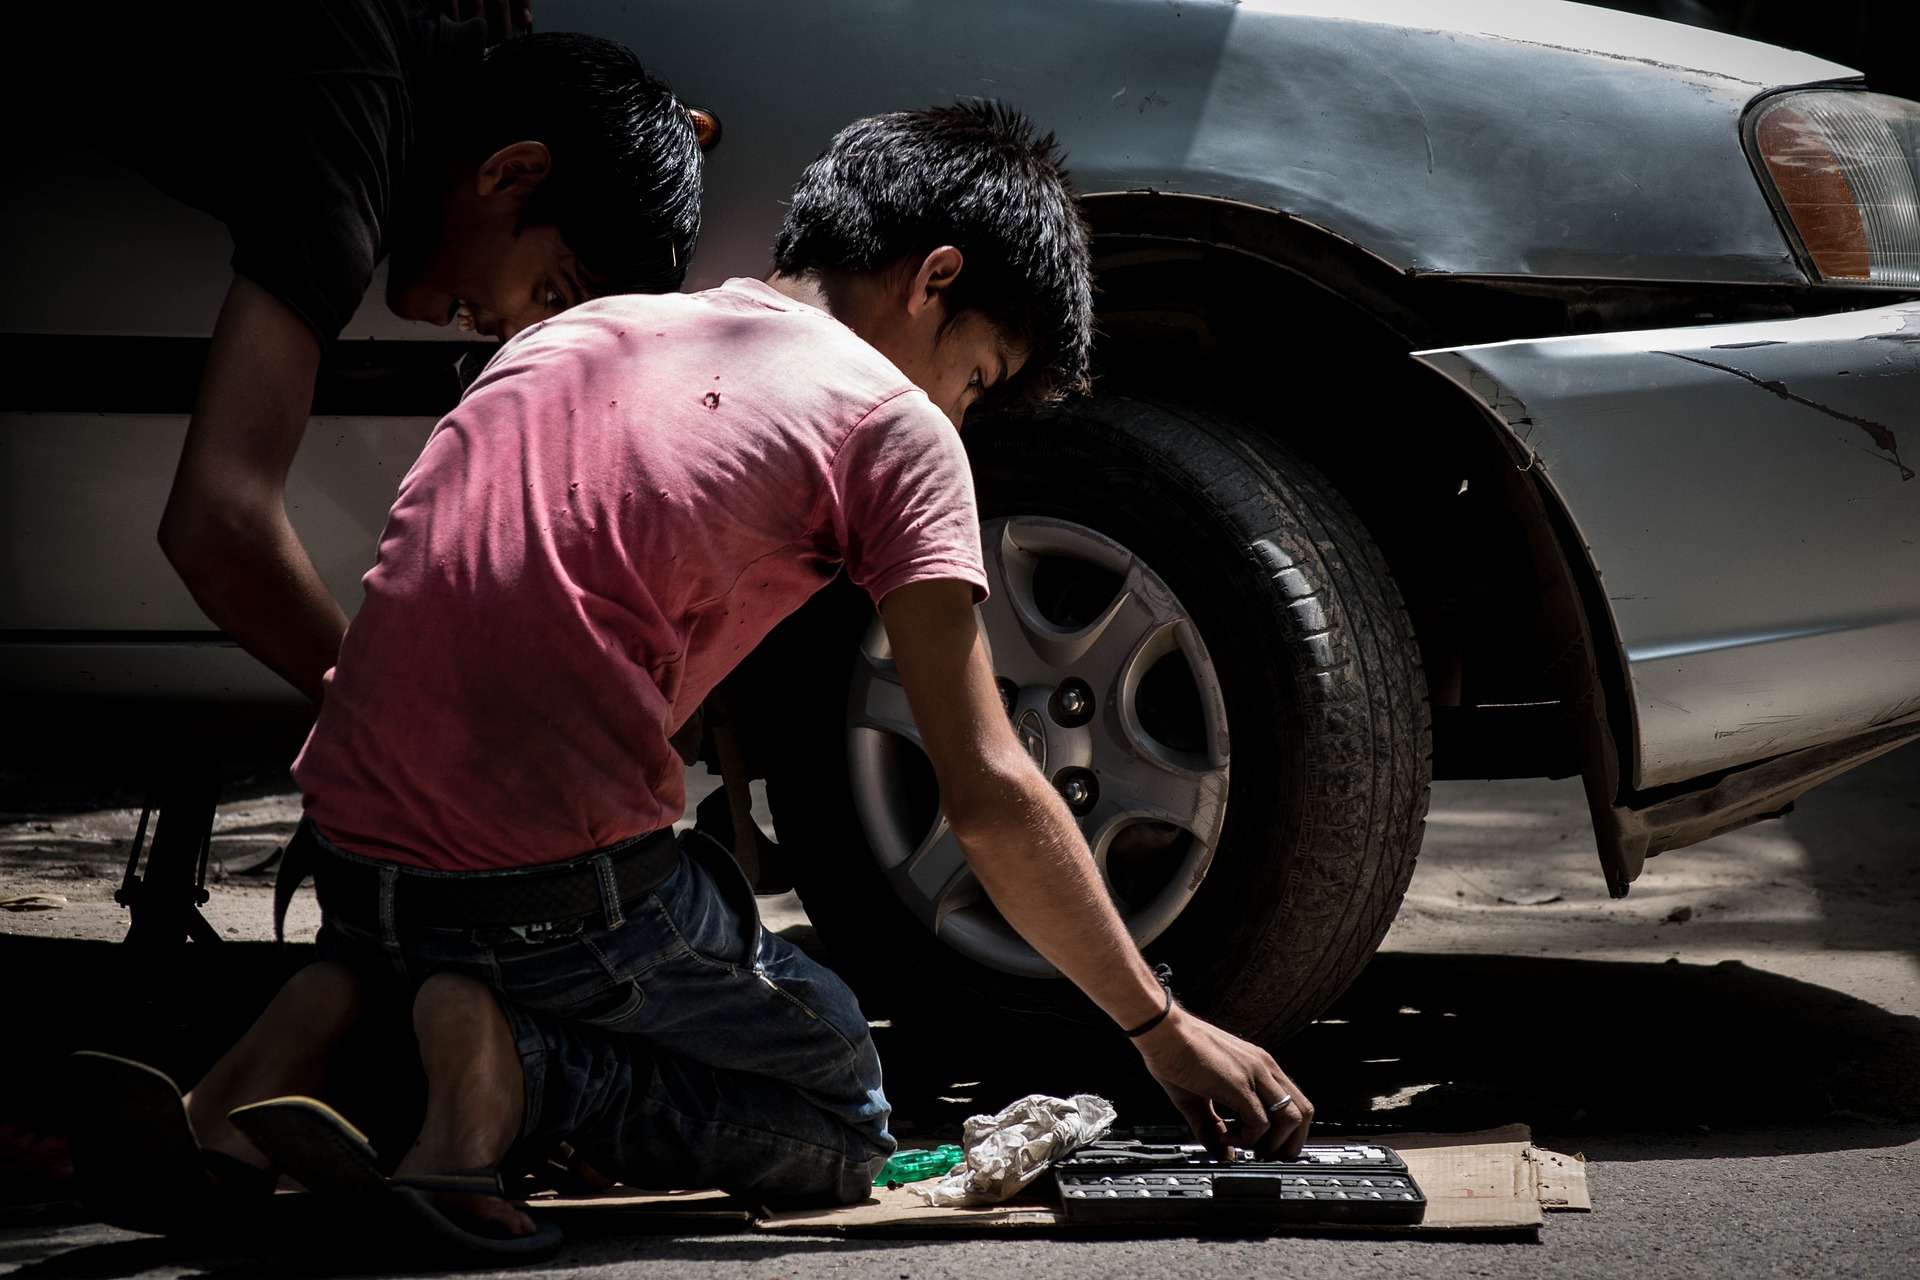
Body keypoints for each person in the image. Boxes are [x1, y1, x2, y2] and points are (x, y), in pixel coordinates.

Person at [73, 102, 1313, 1252]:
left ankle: (312, 1026)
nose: (962, 409)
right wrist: (1162, 1027)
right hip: (540, 898)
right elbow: (986, 789)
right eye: (980, 375)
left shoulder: (574, 331)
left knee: (573, 905)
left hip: (349, 858)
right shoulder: (892, 423)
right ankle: (500, 1064)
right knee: (838, 1109)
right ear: (936, 280)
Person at [20, 1, 702, 703]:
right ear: (511, 173)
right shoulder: (350, 138)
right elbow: (221, 523)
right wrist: (403, 724)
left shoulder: (417, 59)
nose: (512, 338)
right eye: (551, 296)